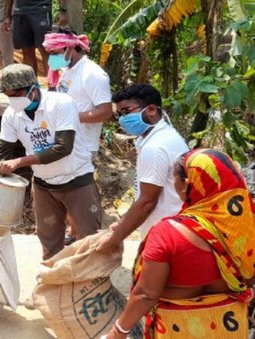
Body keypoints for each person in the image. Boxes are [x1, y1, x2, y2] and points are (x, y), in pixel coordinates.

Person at [105, 149, 255, 338]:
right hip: (231, 327)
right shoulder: (247, 229)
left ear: (186, 185)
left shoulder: (167, 233)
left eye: (174, 178)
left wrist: (119, 331)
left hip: (178, 328)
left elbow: (146, 294)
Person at [0, 64, 102, 260]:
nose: (13, 99)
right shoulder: (11, 114)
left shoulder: (61, 103)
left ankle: (94, 288)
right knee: (49, 242)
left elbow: (63, 147)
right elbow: (1, 153)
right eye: (8, 95)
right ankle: (54, 284)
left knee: (89, 241)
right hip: (44, 186)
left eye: (16, 94)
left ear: (33, 88)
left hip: (76, 181)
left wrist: (20, 162)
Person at [96, 84, 188, 253]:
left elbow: (147, 202)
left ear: (151, 110)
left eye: (126, 111)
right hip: (171, 231)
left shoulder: (155, 147)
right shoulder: (164, 137)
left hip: (166, 237)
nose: (121, 119)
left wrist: (114, 241)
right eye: (119, 115)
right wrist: (124, 221)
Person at [43, 30, 112, 245]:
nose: (51, 57)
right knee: (64, 190)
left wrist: (71, 117)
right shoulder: (66, 71)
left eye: (55, 52)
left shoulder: (92, 74)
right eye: (49, 52)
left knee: (77, 192)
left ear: (70, 47)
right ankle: (73, 234)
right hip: (65, 142)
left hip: (82, 144)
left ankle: (82, 236)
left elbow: (105, 111)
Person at [3, 0, 68, 76]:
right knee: (26, 50)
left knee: (46, 49)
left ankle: (52, 84)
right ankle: (32, 85)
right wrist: (7, 16)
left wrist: (63, 11)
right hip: (20, 11)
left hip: (41, 10)